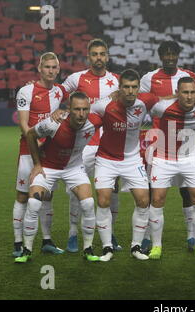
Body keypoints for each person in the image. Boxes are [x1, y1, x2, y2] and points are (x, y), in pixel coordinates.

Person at [15, 92, 102, 263]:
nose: (81, 114)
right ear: (69, 109)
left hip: (74, 168)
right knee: (33, 203)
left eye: (85, 109)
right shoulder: (54, 123)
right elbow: (31, 135)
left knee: (88, 203)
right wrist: (37, 164)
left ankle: (88, 249)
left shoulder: (95, 121)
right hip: (48, 167)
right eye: (77, 109)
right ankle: (26, 250)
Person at [139, 40, 195, 252]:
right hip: (159, 139)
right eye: (166, 54)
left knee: (187, 192)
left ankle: (191, 237)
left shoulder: (189, 76)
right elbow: (142, 101)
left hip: (185, 141)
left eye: (173, 54)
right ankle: (149, 237)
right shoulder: (149, 78)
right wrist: (172, 98)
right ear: (160, 56)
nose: (169, 57)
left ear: (178, 55)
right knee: (154, 193)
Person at [147, 77, 195, 259]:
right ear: (177, 93)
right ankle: (156, 246)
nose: (189, 97)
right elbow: (143, 101)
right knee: (157, 199)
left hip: (190, 158)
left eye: (192, 92)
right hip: (163, 158)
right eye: (185, 92)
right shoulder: (162, 107)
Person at [60, 38, 122, 252]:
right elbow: (56, 92)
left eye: (102, 54)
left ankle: (110, 233)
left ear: (107, 56)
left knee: (112, 191)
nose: (99, 58)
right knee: (77, 191)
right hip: (82, 145)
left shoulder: (117, 80)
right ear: (89, 56)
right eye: (94, 54)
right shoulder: (76, 78)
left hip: (109, 145)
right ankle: (73, 234)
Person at [92, 69, 159, 261]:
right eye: (126, 87)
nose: (130, 91)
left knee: (143, 200)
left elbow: (166, 97)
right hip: (106, 159)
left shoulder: (145, 101)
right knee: (104, 200)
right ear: (119, 88)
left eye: (134, 87)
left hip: (132, 160)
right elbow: (82, 117)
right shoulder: (103, 105)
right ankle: (107, 247)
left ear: (138, 88)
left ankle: (136, 246)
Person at [12, 52, 66, 257]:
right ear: (39, 68)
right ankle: (18, 243)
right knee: (23, 196)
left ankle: (47, 240)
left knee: (47, 196)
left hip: (50, 154)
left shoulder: (60, 91)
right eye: (47, 67)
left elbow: (78, 101)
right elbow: (24, 125)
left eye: (54, 67)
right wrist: (38, 142)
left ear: (58, 70)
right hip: (29, 150)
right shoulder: (26, 91)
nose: (50, 71)